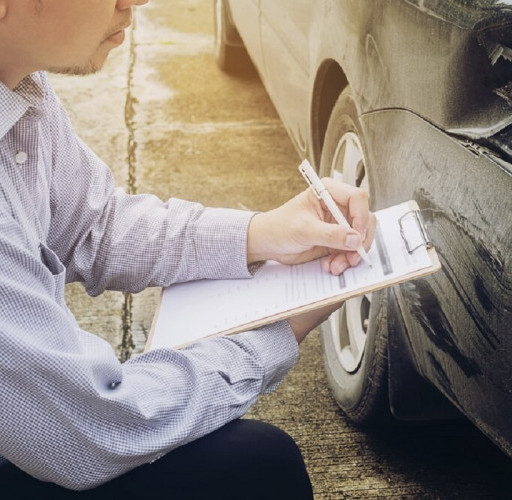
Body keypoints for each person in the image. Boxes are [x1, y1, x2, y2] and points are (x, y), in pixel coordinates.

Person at [0, 0, 375, 498]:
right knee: (260, 468)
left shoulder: (20, 84)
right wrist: (276, 331)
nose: (134, 1)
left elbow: (94, 225)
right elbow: (93, 427)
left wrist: (262, 234)